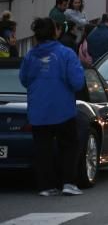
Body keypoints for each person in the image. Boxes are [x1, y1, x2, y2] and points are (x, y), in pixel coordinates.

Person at [18, 17, 85, 196]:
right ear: (55, 32)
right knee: (69, 145)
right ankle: (69, 182)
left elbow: (24, 79)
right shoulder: (66, 53)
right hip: (63, 109)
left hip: (38, 110)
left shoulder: (30, 55)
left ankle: (46, 185)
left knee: (43, 148)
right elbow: (77, 82)